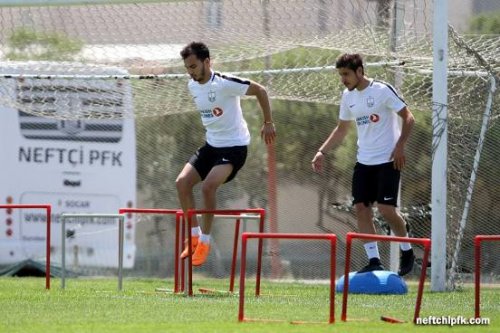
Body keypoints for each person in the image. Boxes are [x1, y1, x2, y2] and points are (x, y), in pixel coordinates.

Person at [312, 53, 415, 276]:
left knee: (387, 210)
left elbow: (409, 117)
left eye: (346, 74)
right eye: (340, 75)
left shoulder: (381, 90)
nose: (343, 79)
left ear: (360, 71)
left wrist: (400, 146)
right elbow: (341, 129)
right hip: (364, 161)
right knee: (361, 209)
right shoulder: (347, 97)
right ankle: (374, 260)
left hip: (388, 160)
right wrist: (322, 151)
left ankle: (407, 251)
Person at [177, 41, 276, 266]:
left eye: (193, 66)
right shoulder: (192, 86)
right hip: (211, 146)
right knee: (182, 183)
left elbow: (260, 90)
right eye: (187, 68)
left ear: (206, 62)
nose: (190, 72)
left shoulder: (224, 83)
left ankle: (204, 241)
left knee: (208, 186)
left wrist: (268, 122)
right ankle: (192, 236)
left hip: (234, 148)